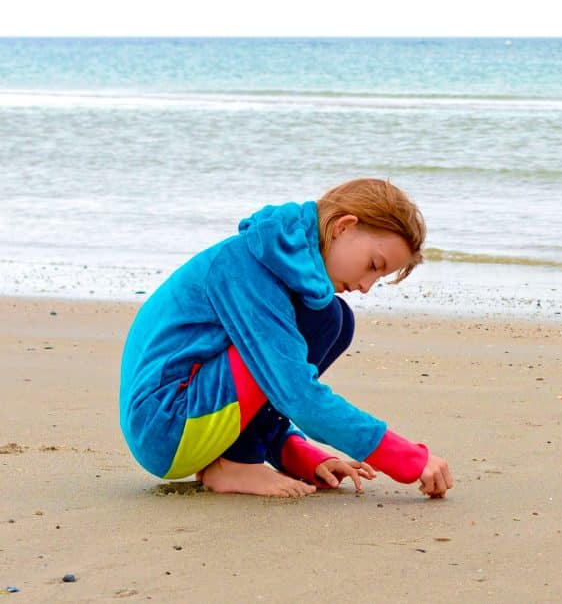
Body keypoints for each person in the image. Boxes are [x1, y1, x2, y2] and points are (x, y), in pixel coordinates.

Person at [119, 178, 453, 498]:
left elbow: (272, 388)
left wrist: (296, 452)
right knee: (320, 319)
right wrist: (409, 459)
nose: (366, 286)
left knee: (335, 320)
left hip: (185, 418)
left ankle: (245, 455)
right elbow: (297, 395)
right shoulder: (245, 268)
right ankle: (237, 463)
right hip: (167, 426)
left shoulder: (271, 263)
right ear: (343, 227)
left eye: (379, 278)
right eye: (373, 265)